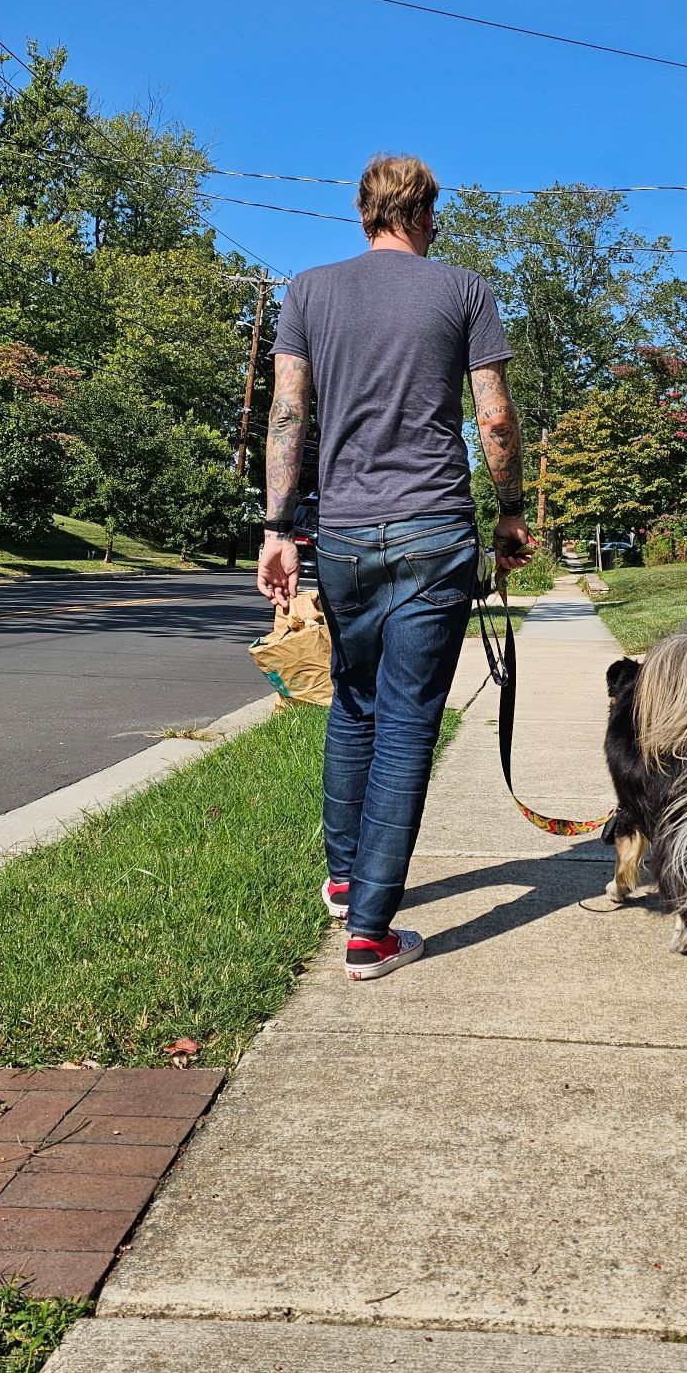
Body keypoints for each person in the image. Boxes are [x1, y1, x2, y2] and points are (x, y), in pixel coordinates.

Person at [257, 153, 530, 978]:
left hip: (338, 536)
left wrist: (277, 527)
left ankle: (345, 881)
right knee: (408, 719)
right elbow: (493, 416)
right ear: (421, 212)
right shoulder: (465, 291)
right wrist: (510, 510)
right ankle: (371, 933)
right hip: (433, 531)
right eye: (436, 213)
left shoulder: (307, 289)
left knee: (356, 702)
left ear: (366, 212)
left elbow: (287, 413)